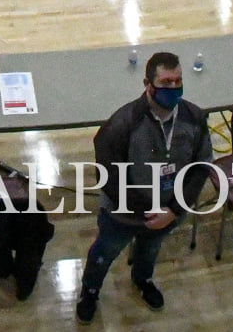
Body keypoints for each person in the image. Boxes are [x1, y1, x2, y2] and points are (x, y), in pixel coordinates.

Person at [74, 52, 213, 323]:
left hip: (168, 213)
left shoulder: (194, 118)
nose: (173, 88)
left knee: (150, 251)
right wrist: (150, 211)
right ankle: (89, 291)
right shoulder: (121, 124)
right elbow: (108, 178)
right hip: (123, 214)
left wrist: (172, 210)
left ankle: (143, 279)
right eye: (165, 82)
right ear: (147, 84)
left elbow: (202, 165)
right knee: (104, 253)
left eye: (178, 81)